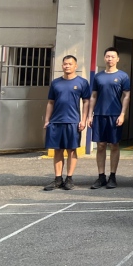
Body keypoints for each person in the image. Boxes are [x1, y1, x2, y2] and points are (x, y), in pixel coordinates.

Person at [43, 55, 91, 191]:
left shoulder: (82, 82)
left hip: (73, 122)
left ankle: (69, 178)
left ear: (76, 66)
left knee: (72, 150)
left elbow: (86, 101)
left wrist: (83, 120)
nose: (67, 66)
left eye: (70, 64)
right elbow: (50, 102)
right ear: (62, 66)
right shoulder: (55, 83)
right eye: (65, 64)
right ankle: (58, 179)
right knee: (57, 150)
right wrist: (47, 120)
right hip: (56, 121)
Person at [87, 48, 130, 190]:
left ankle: (112, 176)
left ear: (118, 59)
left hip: (115, 114)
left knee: (114, 145)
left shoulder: (123, 76)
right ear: (104, 58)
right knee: (100, 145)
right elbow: (93, 96)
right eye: (107, 56)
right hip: (99, 115)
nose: (110, 59)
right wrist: (90, 115)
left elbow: (126, 96)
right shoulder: (98, 77)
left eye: (112, 56)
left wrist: (122, 114)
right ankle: (101, 176)